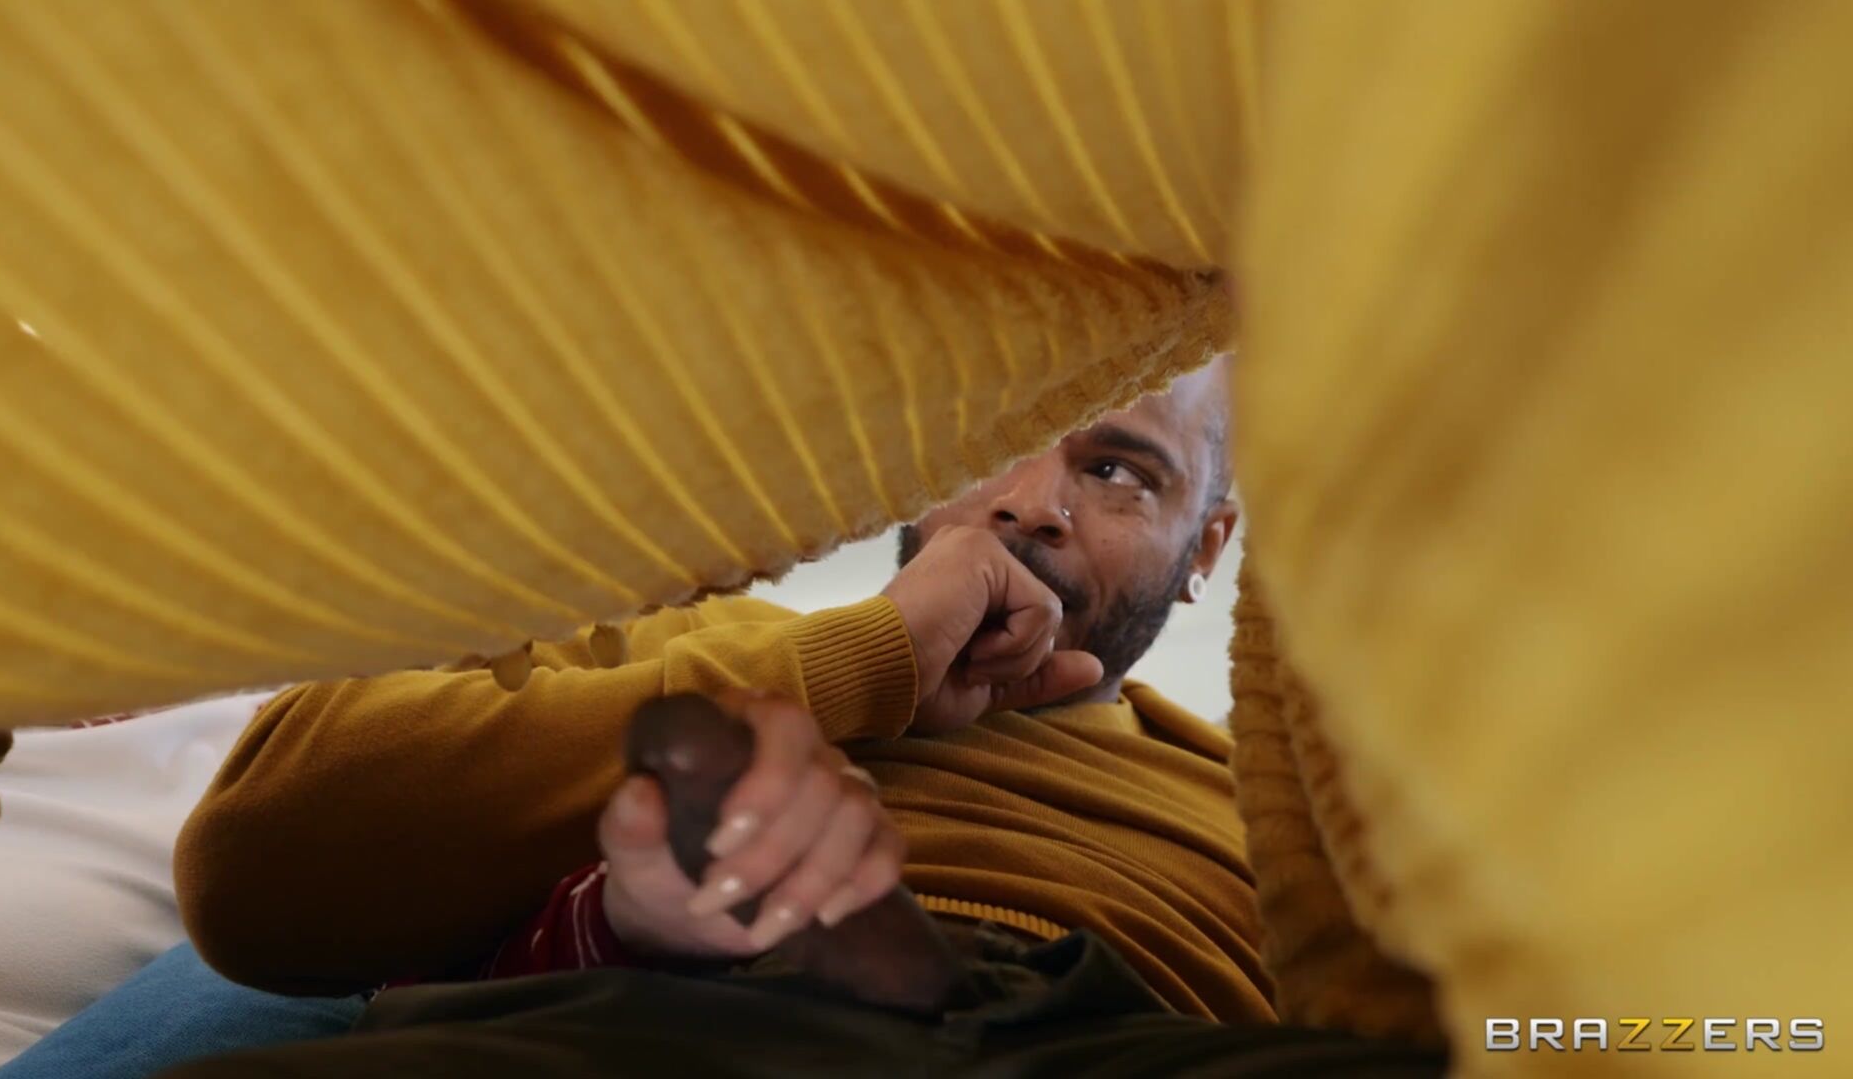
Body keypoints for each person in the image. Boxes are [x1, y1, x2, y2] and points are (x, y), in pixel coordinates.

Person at [168, 363, 1444, 1076]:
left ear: (1207, 546)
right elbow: (255, 869)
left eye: (1114, 469)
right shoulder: (664, 638)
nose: (1026, 503)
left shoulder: (1269, 809)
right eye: (998, 434)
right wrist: (862, 661)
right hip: (707, 1026)